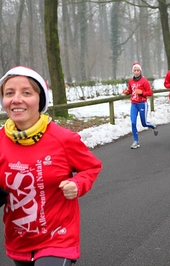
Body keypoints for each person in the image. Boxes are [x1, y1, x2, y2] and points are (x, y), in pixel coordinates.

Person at [0, 66, 102, 266]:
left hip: (58, 237)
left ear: (41, 99)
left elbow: (91, 167)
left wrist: (78, 183)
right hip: (19, 239)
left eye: (26, 92)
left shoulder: (63, 139)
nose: (16, 99)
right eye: (9, 93)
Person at [123, 62, 158, 149]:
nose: (136, 72)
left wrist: (142, 93)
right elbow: (131, 91)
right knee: (133, 122)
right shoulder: (131, 81)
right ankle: (136, 141)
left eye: (138, 70)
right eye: (135, 70)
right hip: (134, 104)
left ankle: (153, 126)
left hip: (142, 104)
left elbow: (149, 93)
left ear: (140, 71)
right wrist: (127, 92)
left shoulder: (144, 81)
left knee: (144, 123)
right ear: (133, 71)